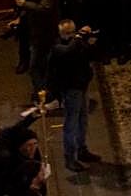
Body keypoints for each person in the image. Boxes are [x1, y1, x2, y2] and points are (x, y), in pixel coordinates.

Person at [47, 19, 100, 172]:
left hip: (82, 86)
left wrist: (91, 43)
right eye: (67, 33)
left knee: (83, 120)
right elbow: (68, 52)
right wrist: (78, 38)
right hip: (70, 89)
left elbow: (92, 56)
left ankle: (82, 149)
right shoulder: (57, 47)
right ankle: (70, 157)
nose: (71, 36)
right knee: (71, 124)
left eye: (73, 32)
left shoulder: (77, 43)